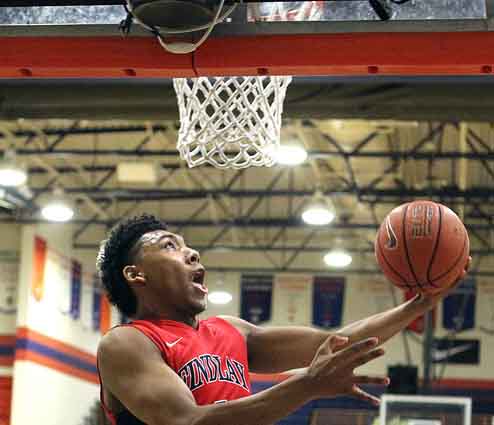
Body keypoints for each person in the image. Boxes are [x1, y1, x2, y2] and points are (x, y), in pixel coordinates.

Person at [96, 214, 470, 425]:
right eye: (169, 246)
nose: (191, 252)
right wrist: (307, 385)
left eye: (186, 244)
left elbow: (336, 340)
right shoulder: (128, 343)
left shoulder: (231, 331)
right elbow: (185, 423)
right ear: (136, 275)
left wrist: (418, 305)